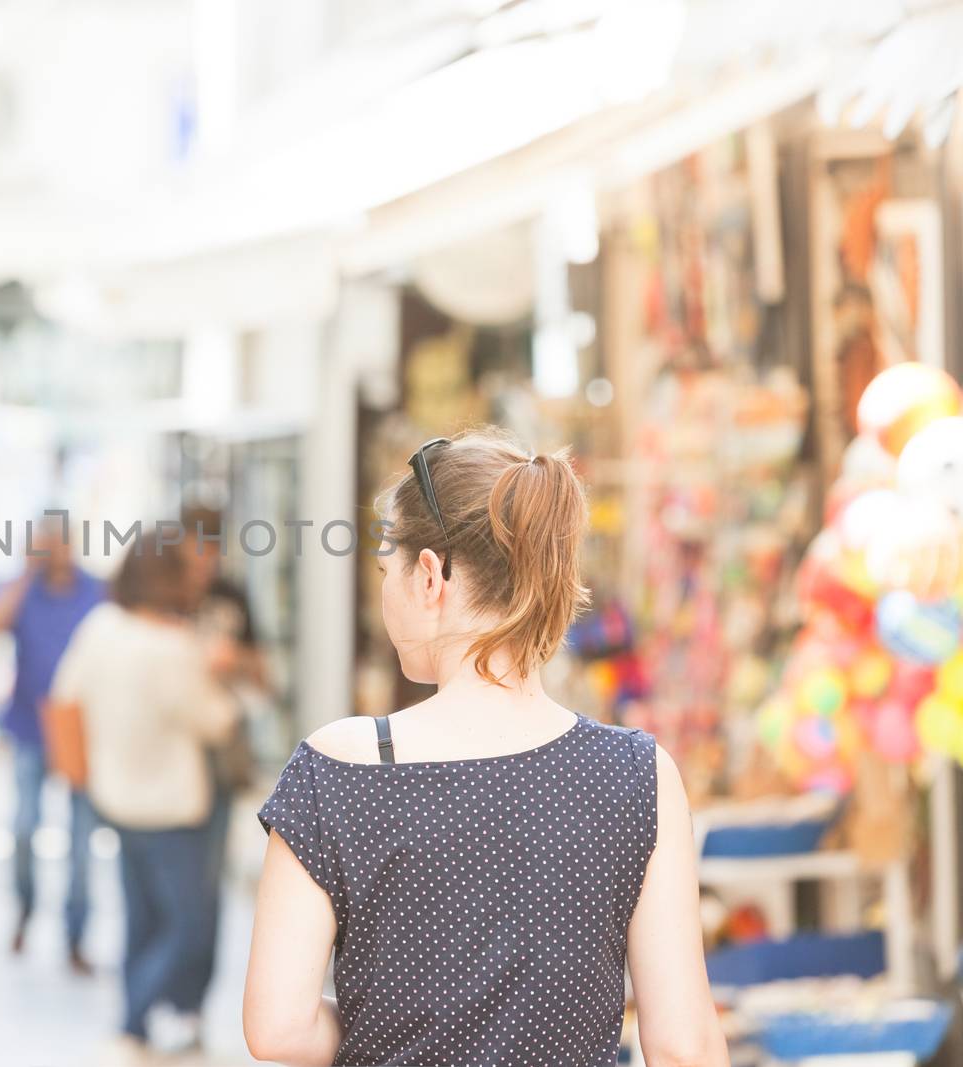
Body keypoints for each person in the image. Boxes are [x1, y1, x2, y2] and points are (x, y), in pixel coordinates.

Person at [243, 429, 727, 1067]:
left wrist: (381, 1031)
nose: (386, 591)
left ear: (429, 576)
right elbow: (683, 1047)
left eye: (387, 570)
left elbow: (276, 1029)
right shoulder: (635, 774)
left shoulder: (338, 770)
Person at [52, 532, 239, 1063]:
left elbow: (66, 698)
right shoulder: (173, 648)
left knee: (142, 921)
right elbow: (217, 721)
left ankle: (136, 1025)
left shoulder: (100, 628)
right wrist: (217, 670)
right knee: (188, 925)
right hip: (175, 809)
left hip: (115, 798)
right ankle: (135, 1017)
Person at [0, 523, 105, 972]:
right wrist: (24, 575)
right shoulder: (20, 590)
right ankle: (26, 909)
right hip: (30, 730)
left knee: (81, 841)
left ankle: (76, 934)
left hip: (81, 733)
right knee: (25, 827)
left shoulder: (97, 591)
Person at [175, 507, 266, 1040]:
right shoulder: (158, 597)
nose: (205, 558)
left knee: (205, 883)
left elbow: (264, 674)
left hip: (216, 755)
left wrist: (233, 664)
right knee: (161, 887)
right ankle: (151, 998)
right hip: (163, 756)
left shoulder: (232, 596)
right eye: (195, 545)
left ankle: (190, 1006)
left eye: (212, 546)